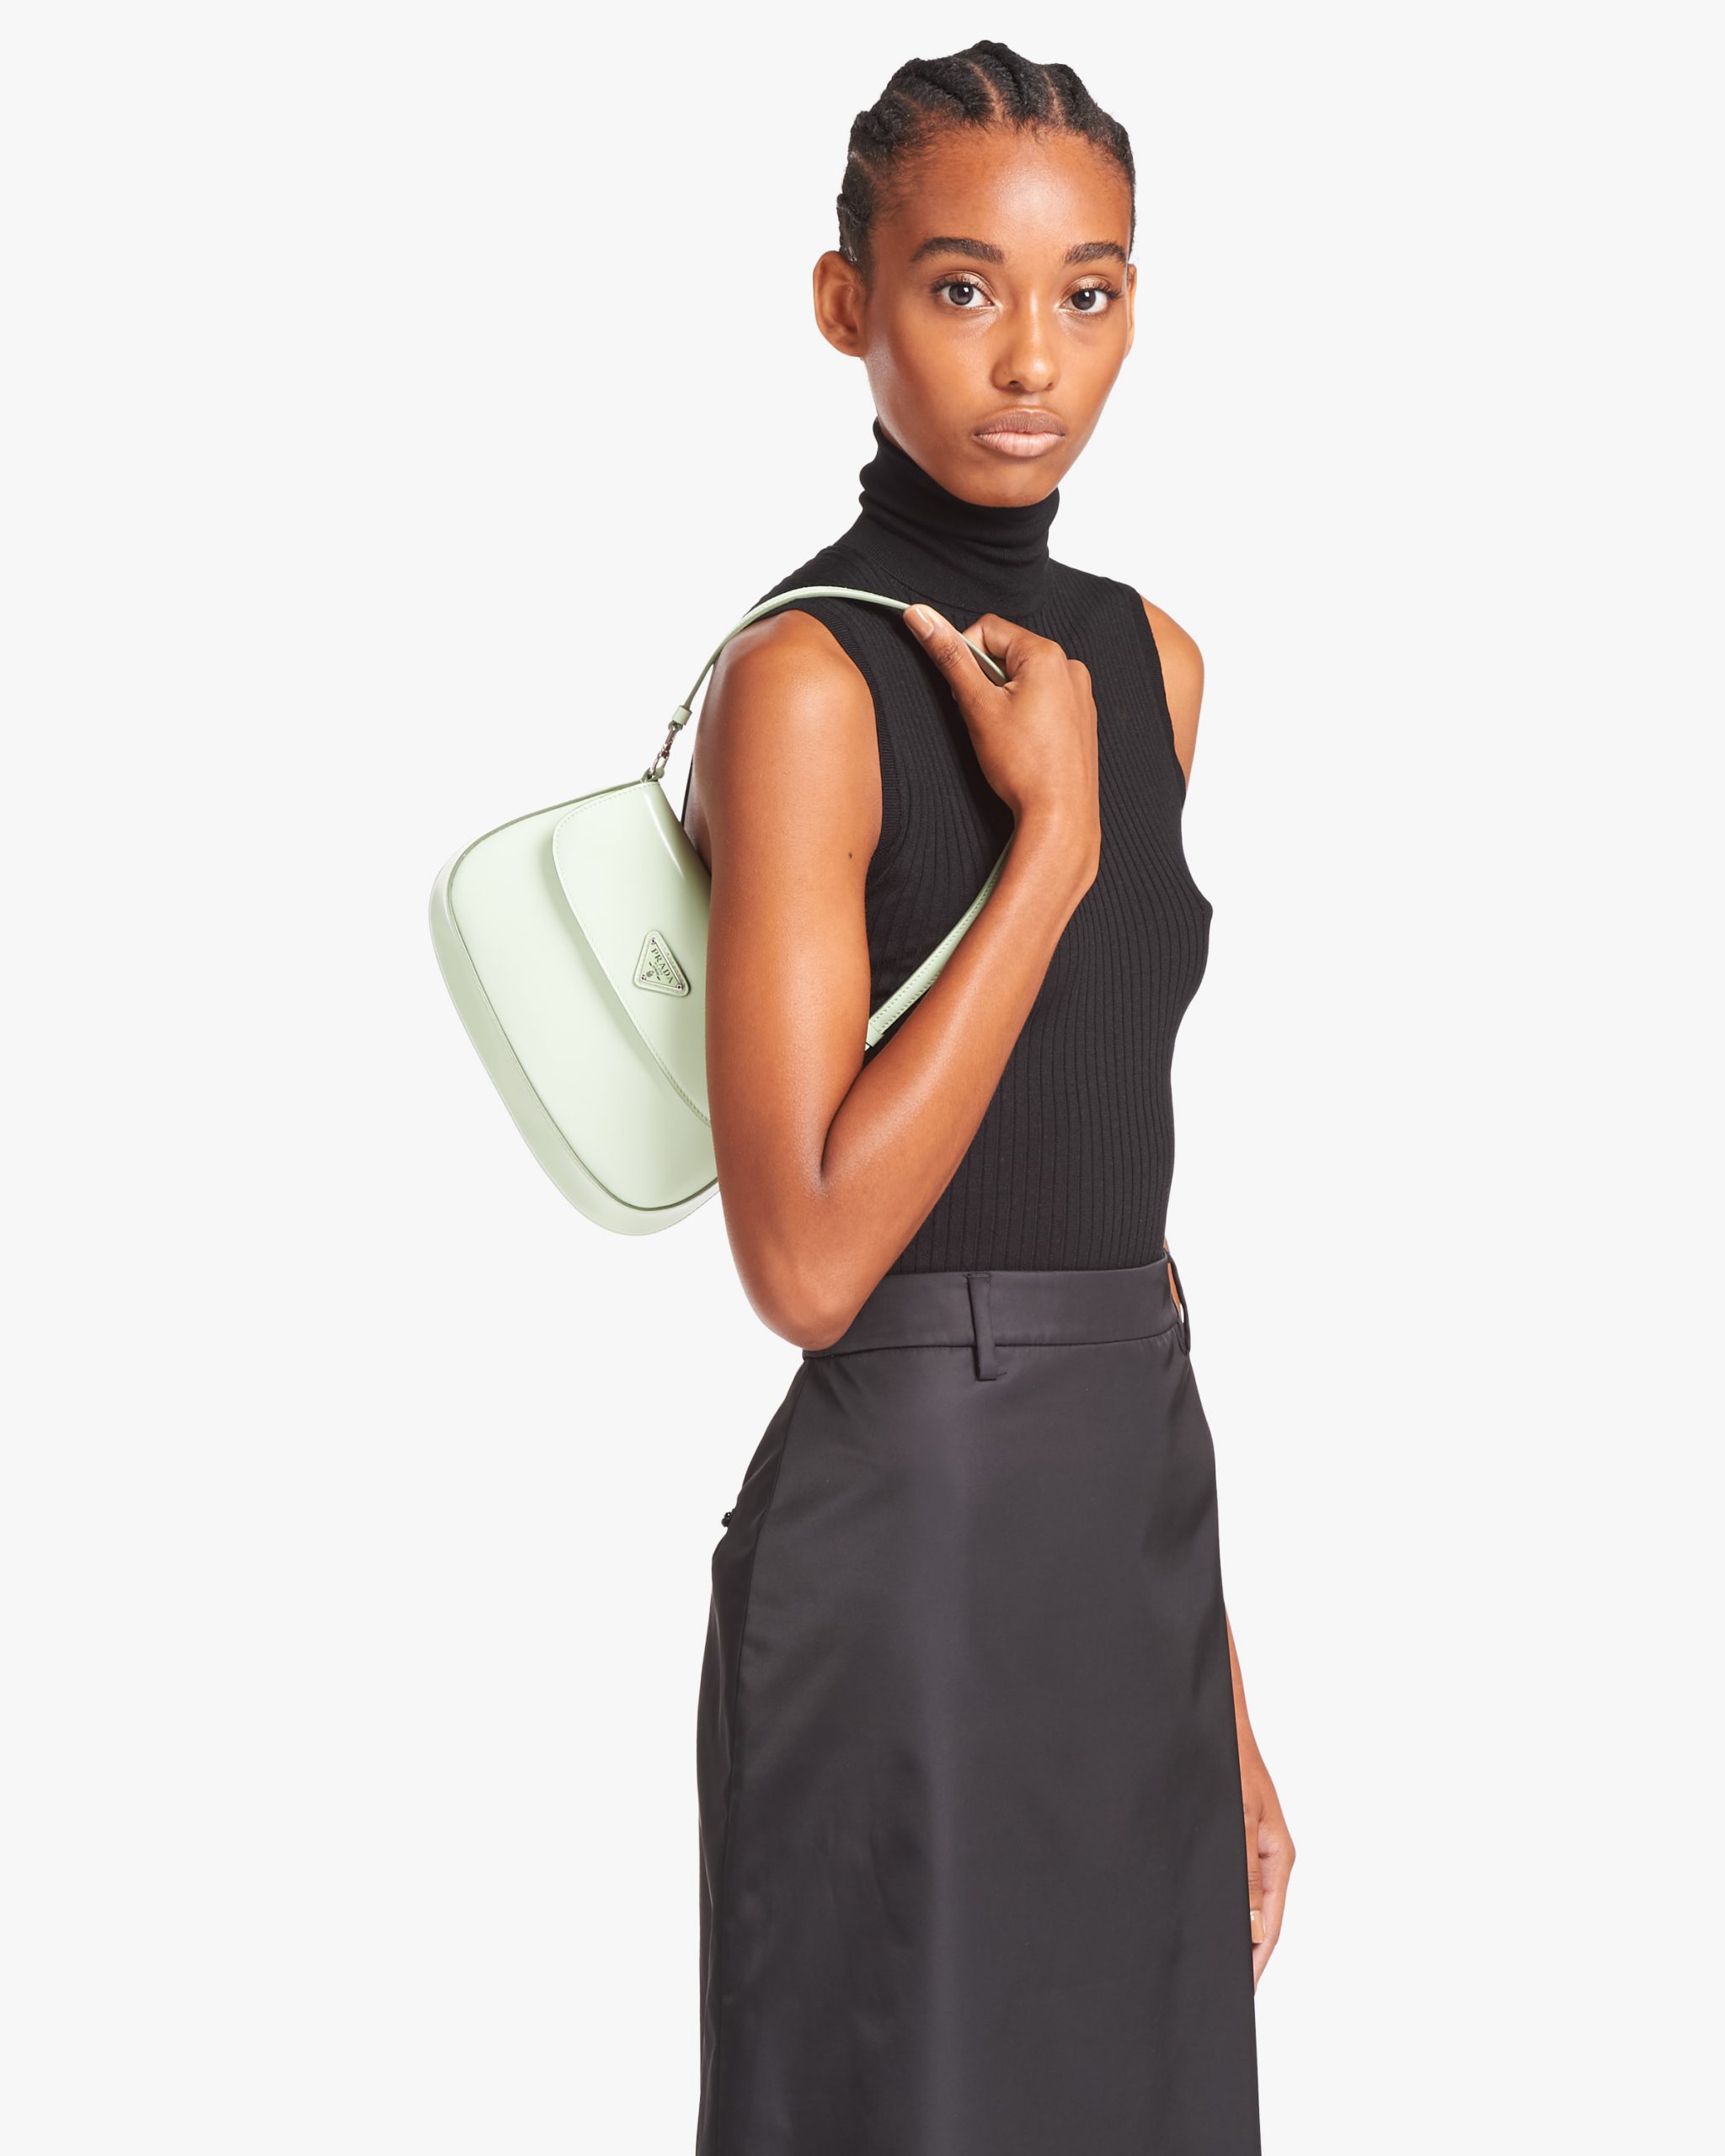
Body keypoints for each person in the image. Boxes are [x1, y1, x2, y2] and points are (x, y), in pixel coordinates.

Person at [681, 40, 1292, 2155]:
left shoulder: (1156, 662)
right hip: (911, 1542)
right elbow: (806, 1260)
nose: (1032, 357)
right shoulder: (802, 684)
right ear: (845, 302)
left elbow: (1118, 1188)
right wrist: (1050, 849)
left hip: (1133, 1512)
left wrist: (1221, 1689)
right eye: (961, 287)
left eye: (1087, 291)